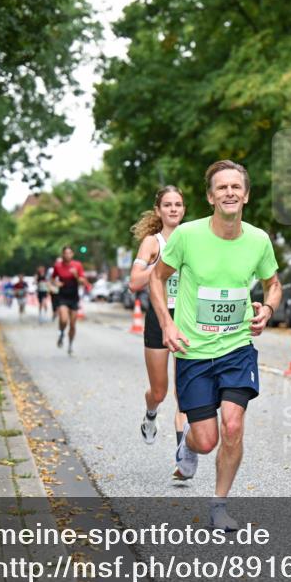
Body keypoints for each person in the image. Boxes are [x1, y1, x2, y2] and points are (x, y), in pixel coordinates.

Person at [149, 160, 281, 531]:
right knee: (206, 440)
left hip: (237, 347)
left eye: (235, 187)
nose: (229, 192)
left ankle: (219, 505)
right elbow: (156, 280)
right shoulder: (187, 236)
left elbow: (274, 283)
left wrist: (268, 307)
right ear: (210, 197)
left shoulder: (258, 240)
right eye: (221, 187)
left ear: (246, 195)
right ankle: (188, 446)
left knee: (233, 425)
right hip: (194, 350)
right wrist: (167, 324)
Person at [129, 186, 188, 447]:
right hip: (158, 316)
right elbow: (134, 282)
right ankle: (150, 414)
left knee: (184, 391)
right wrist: (161, 266)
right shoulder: (153, 243)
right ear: (159, 210)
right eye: (168, 204)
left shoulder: (193, 238)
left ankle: (182, 454)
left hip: (186, 317)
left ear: (183, 209)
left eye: (178, 204)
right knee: (159, 391)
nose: (173, 209)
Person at [53, 246, 88, 356]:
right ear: (62, 254)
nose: (67, 255)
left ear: (72, 254)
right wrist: (56, 283)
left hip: (74, 297)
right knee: (64, 320)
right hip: (63, 296)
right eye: (65, 253)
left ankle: (70, 345)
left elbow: (83, 281)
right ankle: (61, 333)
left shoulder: (77, 265)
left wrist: (76, 275)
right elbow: (53, 278)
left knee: (72, 325)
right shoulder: (58, 266)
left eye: (69, 253)